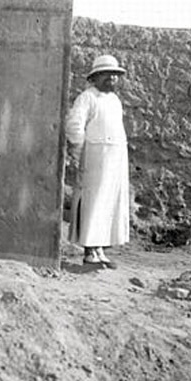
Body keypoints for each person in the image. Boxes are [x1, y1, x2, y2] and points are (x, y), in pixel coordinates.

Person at [66, 54, 130, 267]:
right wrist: (80, 149)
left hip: (115, 158)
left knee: (108, 203)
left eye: (115, 75)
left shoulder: (114, 101)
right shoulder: (87, 98)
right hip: (95, 157)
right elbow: (74, 125)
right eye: (107, 74)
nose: (112, 78)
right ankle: (89, 252)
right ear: (96, 77)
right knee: (93, 202)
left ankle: (101, 250)